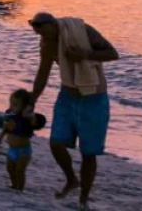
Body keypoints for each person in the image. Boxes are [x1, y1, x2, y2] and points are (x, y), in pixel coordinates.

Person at [29, 11, 119, 209]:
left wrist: (84, 55)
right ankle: (71, 179)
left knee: (89, 153)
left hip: (94, 98)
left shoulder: (82, 31)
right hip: (67, 96)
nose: (43, 38)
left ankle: (83, 199)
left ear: (52, 24)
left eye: (44, 33)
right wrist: (32, 100)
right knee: (55, 143)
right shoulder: (47, 43)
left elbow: (113, 54)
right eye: (39, 35)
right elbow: (42, 74)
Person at [0, 88, 38, 191]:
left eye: (16, 105)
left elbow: (34, 124)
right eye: (11, 104)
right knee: (10, 169)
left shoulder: (26, 118)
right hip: (12, 150)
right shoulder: (9, 114)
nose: (12, 107)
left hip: (23, 151)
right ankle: (14, 185)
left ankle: (20, 188)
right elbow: (6, 127)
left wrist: (30, 116)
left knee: (20, 170)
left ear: (24, 106)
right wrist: (1, 136)